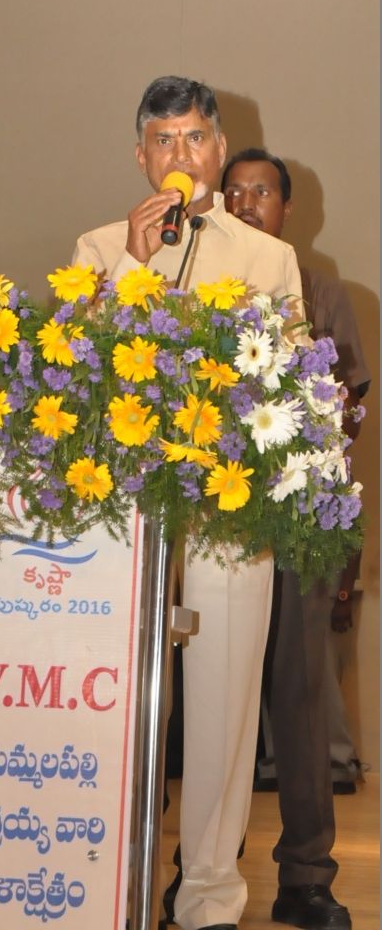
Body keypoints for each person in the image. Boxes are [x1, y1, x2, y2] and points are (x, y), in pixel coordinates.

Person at [73, 77, 305, 930]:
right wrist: (133, 271)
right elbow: (75, 380)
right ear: (141, 155)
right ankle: (109, 879)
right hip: (121, 514)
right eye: (164, 141)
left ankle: (208, 895)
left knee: (224, 704)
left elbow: (290, 389)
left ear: (219, 148)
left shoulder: (268, 258)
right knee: (117, 699)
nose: (182, 155)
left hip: (228, 509)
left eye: (196, 138)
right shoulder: (99, 248)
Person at [221, 147, 369, 929]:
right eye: (234, 192)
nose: (247, 203)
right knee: (214, 697)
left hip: (301, 523)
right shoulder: (196, 289)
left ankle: (306, 878)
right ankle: (203, 871)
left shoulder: (323, 290)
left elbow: (347, 419)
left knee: (302, 696)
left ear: (287, 209)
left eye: (262, 192)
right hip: (216, 522)